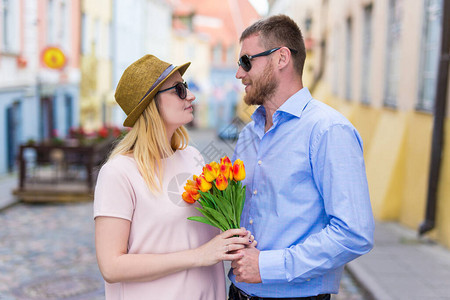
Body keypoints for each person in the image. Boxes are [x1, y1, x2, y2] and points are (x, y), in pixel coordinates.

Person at [229, 14, 374, 299]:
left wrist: (267, 266)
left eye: (246, 62)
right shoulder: (247, 135)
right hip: (238, 292)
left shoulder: (329, 130)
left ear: (281, 57)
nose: (239, 74)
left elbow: (354, 233)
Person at [93, 55, 254, 300]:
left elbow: (202, 235)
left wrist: (233, 237)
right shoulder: (118, 173)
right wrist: (199, 255)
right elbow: (111, 267)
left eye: (186, 86)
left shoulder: (192, 157)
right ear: (150, 104)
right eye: (179, 89)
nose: (190, 96)